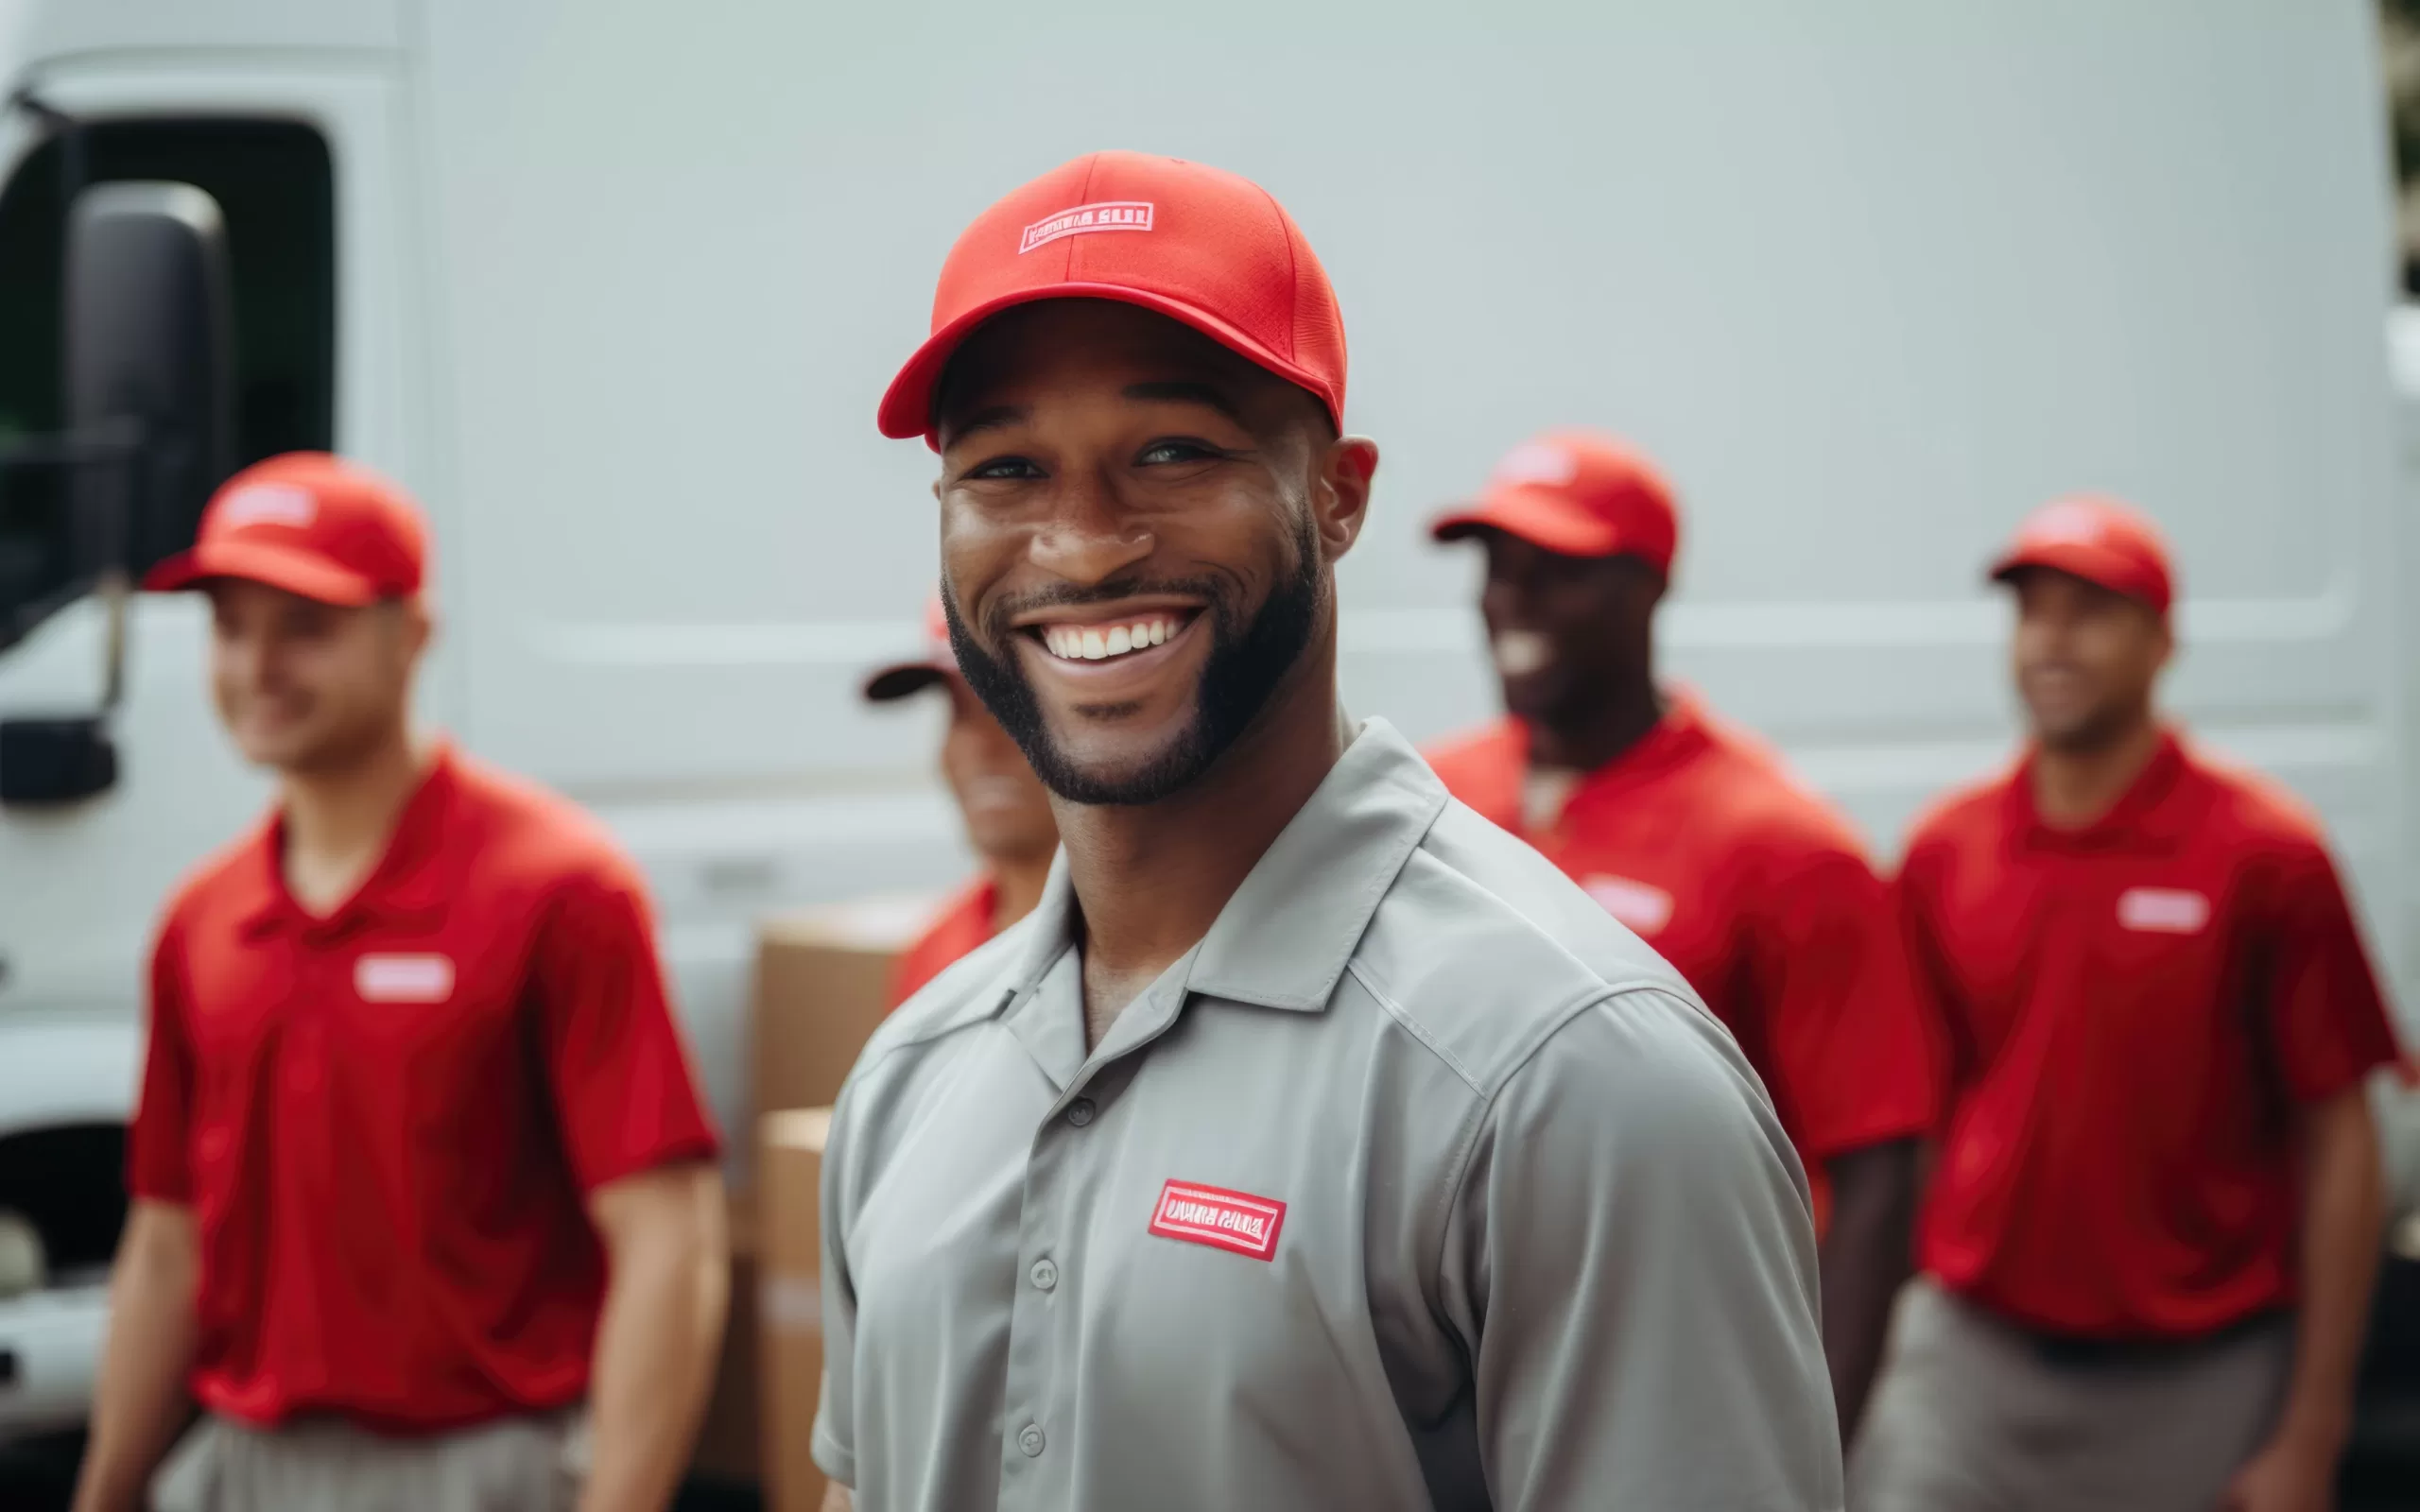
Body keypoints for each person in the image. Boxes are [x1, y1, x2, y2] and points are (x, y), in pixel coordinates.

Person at [810, 150, 1841, 1512]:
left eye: (1172, 451)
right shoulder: (910, 1079)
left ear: (1339, 496)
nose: (1083, 543)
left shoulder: (1573, 1083)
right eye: (1006, 467)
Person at [71, 454, 728, 1512]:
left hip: (483, 1471)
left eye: (304, 627)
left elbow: (668, 1236)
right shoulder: (202, 919)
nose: (259, 666)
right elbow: (164, 1242)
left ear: (412, 634)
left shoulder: (557, 886)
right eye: (232, 629)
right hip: (242, 1465)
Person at [1852, 496, 2402, 1512]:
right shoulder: (1945, 849)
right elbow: (1913, 1123)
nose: (2052, 641)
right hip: (1974, 1365)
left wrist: (2311, 1431)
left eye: (2089, 611)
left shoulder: (2263, 853)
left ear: (2162, 641)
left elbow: (2341, 1138)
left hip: (2194, 1375)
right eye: (2032, 612)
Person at [1423, 428, 1937, 1439]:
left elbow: (1878, 1171)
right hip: (1453, 1351)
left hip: (1675, 1363)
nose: (1514, 599)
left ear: (1649, 590)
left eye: (1558, 572)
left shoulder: (1783, 846)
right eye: (1498, 567)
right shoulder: (1430, 800)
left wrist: (1807, 1448)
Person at [861, 594, 1058, 1005]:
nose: (981, 744)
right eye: (958, 710)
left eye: (1011, 707)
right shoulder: (938, 952)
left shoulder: (1154, 950)